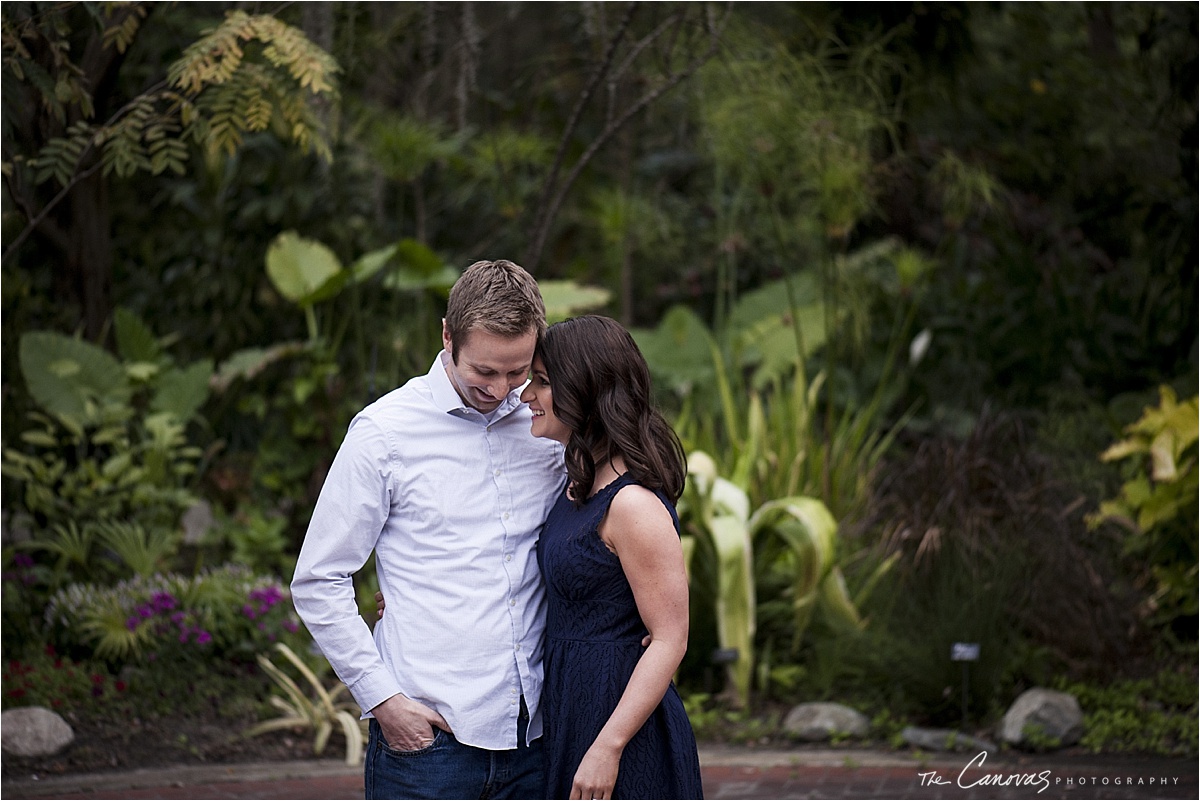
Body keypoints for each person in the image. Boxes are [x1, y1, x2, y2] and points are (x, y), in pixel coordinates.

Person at [291, 258, 567, 799]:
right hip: (429, 747)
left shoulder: (547, 425)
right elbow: (319, 578)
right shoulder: (384, 433)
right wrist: (383, 701)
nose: (501, 388)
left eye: (518, 371)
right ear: (446, 336)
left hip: (538, 738)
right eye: (484, 371)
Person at [524, 314, 703, 800]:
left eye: (541, 383)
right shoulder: (578, 483)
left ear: (583, 389)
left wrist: (609, 746)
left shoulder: (632, 505)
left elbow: (670, 638)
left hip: (619, 723)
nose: (524, 396)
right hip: (573, 708)